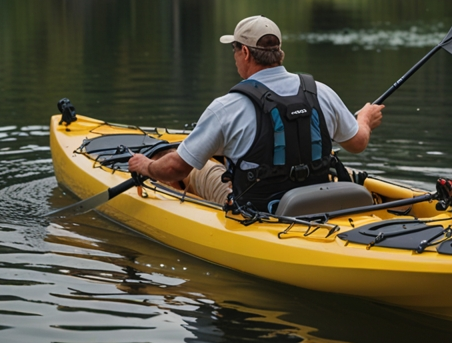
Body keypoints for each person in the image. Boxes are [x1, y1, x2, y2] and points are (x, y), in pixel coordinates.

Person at [129, 15, 384, 212]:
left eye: (235, 50)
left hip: (260, 214)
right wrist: (365, 119)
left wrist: (147, 165)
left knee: (198, 165)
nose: (235, 57)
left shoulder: (227, 107)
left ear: (246, 52)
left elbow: (175, 169)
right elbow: (358, 143)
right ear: (278, 51)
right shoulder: (321, 92)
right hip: (319, 200)